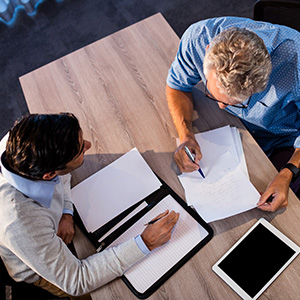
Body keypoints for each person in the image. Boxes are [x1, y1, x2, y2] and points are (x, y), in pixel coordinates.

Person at [0, 113, 179, 299]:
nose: (88, 145)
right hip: (36, 270)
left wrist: (66, 210)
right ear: (48, 174)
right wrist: (146, 242)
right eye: (80, 151)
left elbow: (63, 174)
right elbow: (77, 281)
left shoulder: (25, 139)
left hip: (50, 230)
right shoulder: (19, 222)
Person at [166, 16, 300, 212]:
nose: (221, 106)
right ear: (207, 52)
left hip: (285, 139)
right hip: (236, 132)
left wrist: (288, 173)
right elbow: (176, 85)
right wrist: (185, 135)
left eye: (236, 103)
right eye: (212, 95)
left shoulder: (297, 63)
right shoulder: (198, 38)